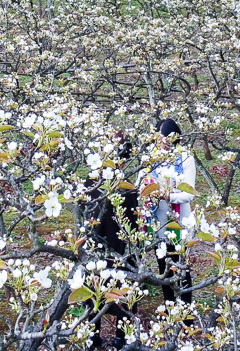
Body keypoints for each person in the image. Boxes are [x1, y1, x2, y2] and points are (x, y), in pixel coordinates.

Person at [81, 139, 140, 349]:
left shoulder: (90, 182)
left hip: (95, 248)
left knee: (93, 290)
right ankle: (120, 337)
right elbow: (133, 221)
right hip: (120, 250)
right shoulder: (126, 186)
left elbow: (83, 215)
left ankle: (93, 335)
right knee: (122, 292)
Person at [143, 119, 195, 306]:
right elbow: (140, 185)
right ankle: (169, 307)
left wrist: (166, 196)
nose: (162, 142)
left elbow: (188, 194)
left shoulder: (186, 159)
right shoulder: (149, 159)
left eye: (166, 138)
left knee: (181, 267)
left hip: (180, 222)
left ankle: (186, 312)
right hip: (158, 222)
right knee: (163, 265)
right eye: (159, 138)